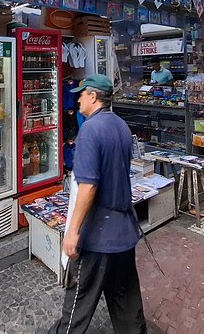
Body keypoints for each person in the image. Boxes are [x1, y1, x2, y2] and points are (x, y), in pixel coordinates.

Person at [46, 74, 146, 334]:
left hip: (98, 235)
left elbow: (88, 186)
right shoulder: (121, 126)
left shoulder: (90, 130)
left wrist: (73, 231)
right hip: (124, 232)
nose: (77, 98)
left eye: (81, 94)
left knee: (78, 304)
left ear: (93, 96)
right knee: (126, 302)